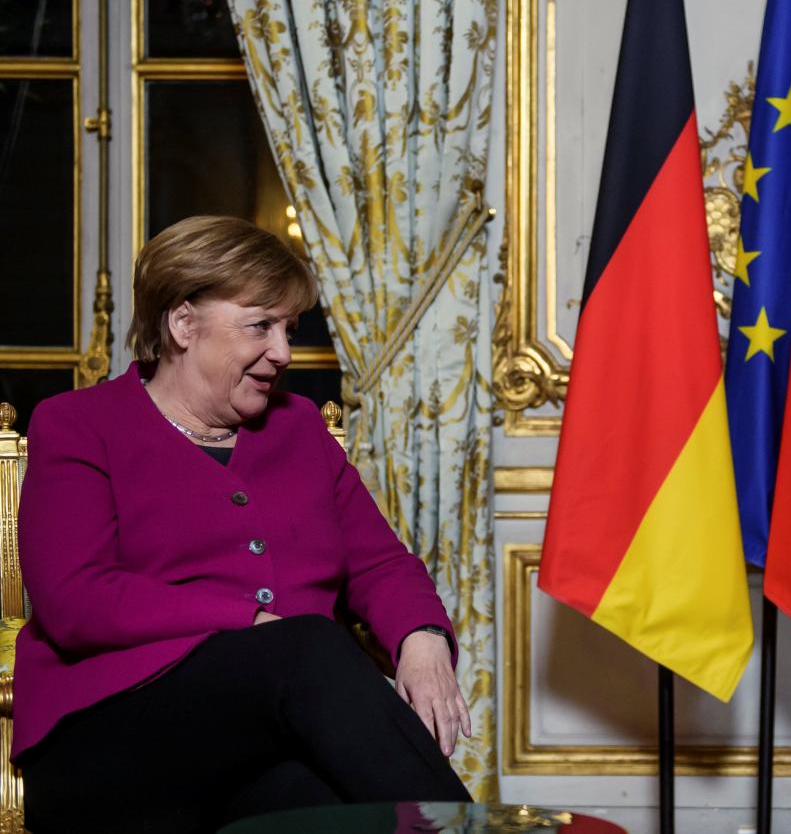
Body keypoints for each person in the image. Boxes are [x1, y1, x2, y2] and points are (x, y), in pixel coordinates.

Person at [13, 215, 473, 832]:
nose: (282, 352)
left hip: (260, 752)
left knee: (335, 807)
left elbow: (380, 562)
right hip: (111, 740)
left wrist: (423, 639)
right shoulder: (77, 424)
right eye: (261, 326)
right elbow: (76, 599)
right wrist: (250, 623)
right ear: (183, 324)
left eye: (288, 328)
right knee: (309, 643)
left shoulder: (299, 427)